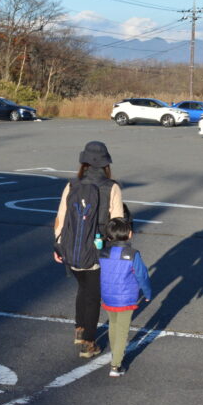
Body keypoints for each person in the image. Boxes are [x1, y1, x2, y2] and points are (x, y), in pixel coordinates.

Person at [54, 141, 124, 358]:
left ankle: (80, 329)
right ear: (105, 163)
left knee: (83, 288)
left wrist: (58, 245)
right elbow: (118, 222)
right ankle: (88, 342)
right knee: (93, 295)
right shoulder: (111, 187)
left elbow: (61, 218)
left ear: (84, 161)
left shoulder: (72, 185)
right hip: (97, 250)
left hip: (71, 249)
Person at [99, 216, 152, 377]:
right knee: (122, 330)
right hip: (126, 299)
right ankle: (116, 365)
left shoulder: (103, 252)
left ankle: (115, 355)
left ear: (108, 236)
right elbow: (142, 275)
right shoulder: (132, 254)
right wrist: (148, 292)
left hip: (108, 296)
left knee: (113, 327)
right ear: (129, 234)